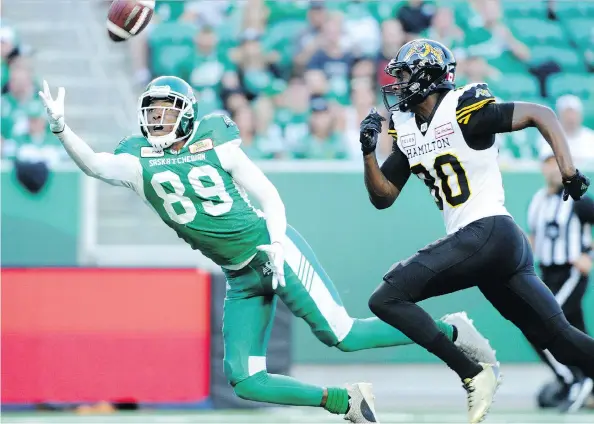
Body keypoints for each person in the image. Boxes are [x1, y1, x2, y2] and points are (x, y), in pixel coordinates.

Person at [39, 76, 497, 424]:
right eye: (152, 110)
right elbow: (96, 164)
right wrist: (61, 129)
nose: (158, 117)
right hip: (239, 274)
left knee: (342, 335)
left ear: (188, 113)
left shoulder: (215, 142)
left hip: (271, 250)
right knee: (244, 379)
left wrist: (277, 245)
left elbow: (270, 196)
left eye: (167, 109)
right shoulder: (137, 159)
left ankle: (452, 331)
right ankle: (345, 401)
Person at [359, 39, 594, 424]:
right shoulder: (409, 130)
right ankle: (474, 370)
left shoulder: (465, 111)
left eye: (403, 75)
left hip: (487, 231)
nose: (397, 84)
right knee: (562, 341)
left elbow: (541, 113)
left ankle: (472, 371)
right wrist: (369, 153)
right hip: (495, 247)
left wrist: (568, 171)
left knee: (386, 298)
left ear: (427, 75)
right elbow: (383, 196)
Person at [527, 145, 594, 412]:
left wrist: (588, 253)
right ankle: (584, 379)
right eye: (548, 162)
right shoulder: (538, 200)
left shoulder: (578, 199)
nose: (553, 167)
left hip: (570, 273)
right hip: (546, 274)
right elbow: (534, 238)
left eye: (557, 162)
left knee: (541, 323)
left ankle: (573, 380)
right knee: (575, 330)